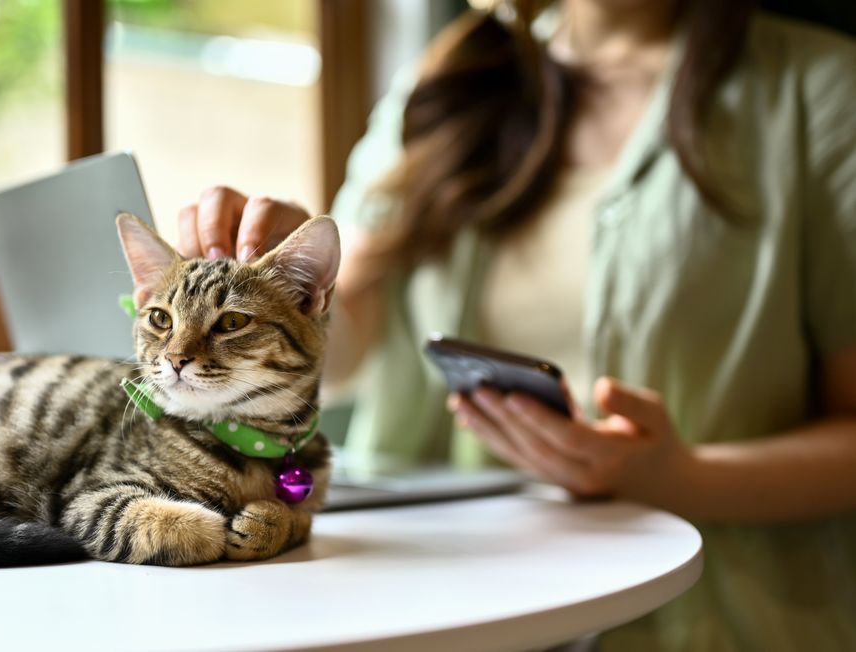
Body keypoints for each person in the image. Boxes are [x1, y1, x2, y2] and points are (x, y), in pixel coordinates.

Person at [176, 0, 856, 649]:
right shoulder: (450, 80)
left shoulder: (821, 93)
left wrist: (677, 477)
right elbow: (345, 348)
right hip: (449, 605)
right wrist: (287, 295)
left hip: (713, 621)